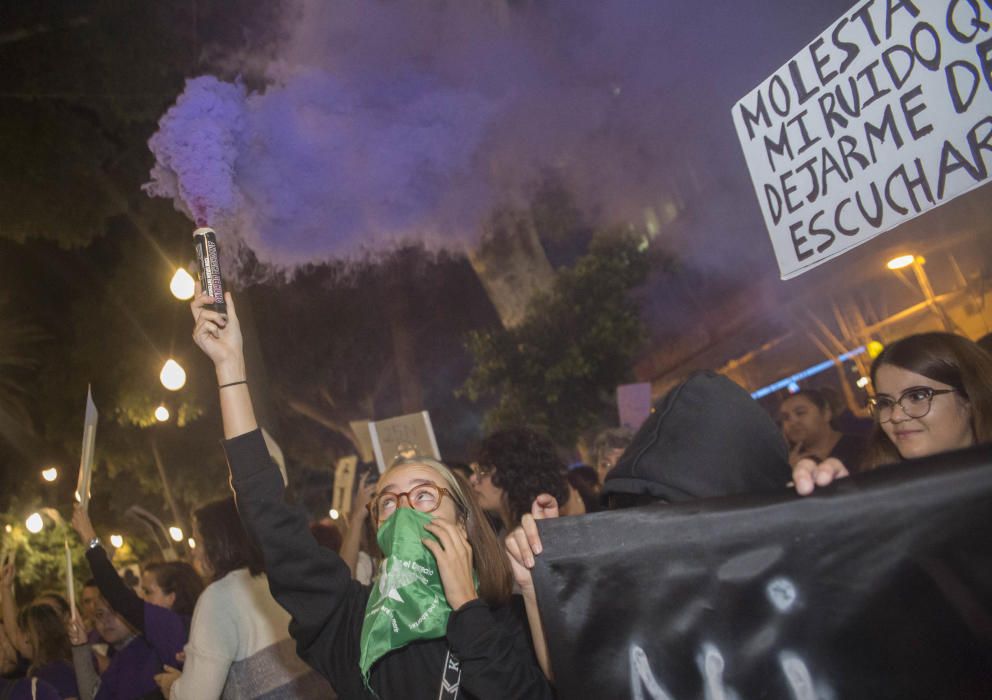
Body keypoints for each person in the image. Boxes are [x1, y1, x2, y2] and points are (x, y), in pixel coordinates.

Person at [191, 287, 552, 699]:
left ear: (464, 520)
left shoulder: (509, 611)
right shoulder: (352, 621)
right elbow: (266, 514)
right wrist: (230, 367)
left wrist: (467, 606)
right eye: (387, 503)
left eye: (423, 497)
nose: (403, 511)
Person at [504, 371, 792, 679]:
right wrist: (540, 584)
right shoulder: (639, 583)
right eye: (645, 509)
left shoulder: (789, 585)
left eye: (675, 510)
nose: (656, 527)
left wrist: (839, 505)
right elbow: (585, 678)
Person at [153, 497, 331, 699]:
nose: (193, 551)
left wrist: (173, 686)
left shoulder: (218, 598)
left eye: (199, 542)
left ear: (219, 544)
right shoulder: (282, 578)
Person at [792, 332, 992, 495]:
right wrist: (850, 503)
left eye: (918, 396)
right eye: (885, 403)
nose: (895, 416)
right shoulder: (883, 490)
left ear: (969, 398)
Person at [469, 428, 569, 532]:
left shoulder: (540, 535)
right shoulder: (500, 535)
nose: (473, 479)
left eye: (485, 470)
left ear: (513, 475)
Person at [1, 564, 78, 699]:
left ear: (29, 637)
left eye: (20, 631)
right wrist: (5, 587)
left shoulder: (58, 672)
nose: (14, 637)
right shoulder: (35, 667)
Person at [778, 389, 866, 471]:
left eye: (800, 412)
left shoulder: (863, 447)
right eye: (785, 418)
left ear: (826, 413)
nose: (792, 421)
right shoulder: (789, 464)